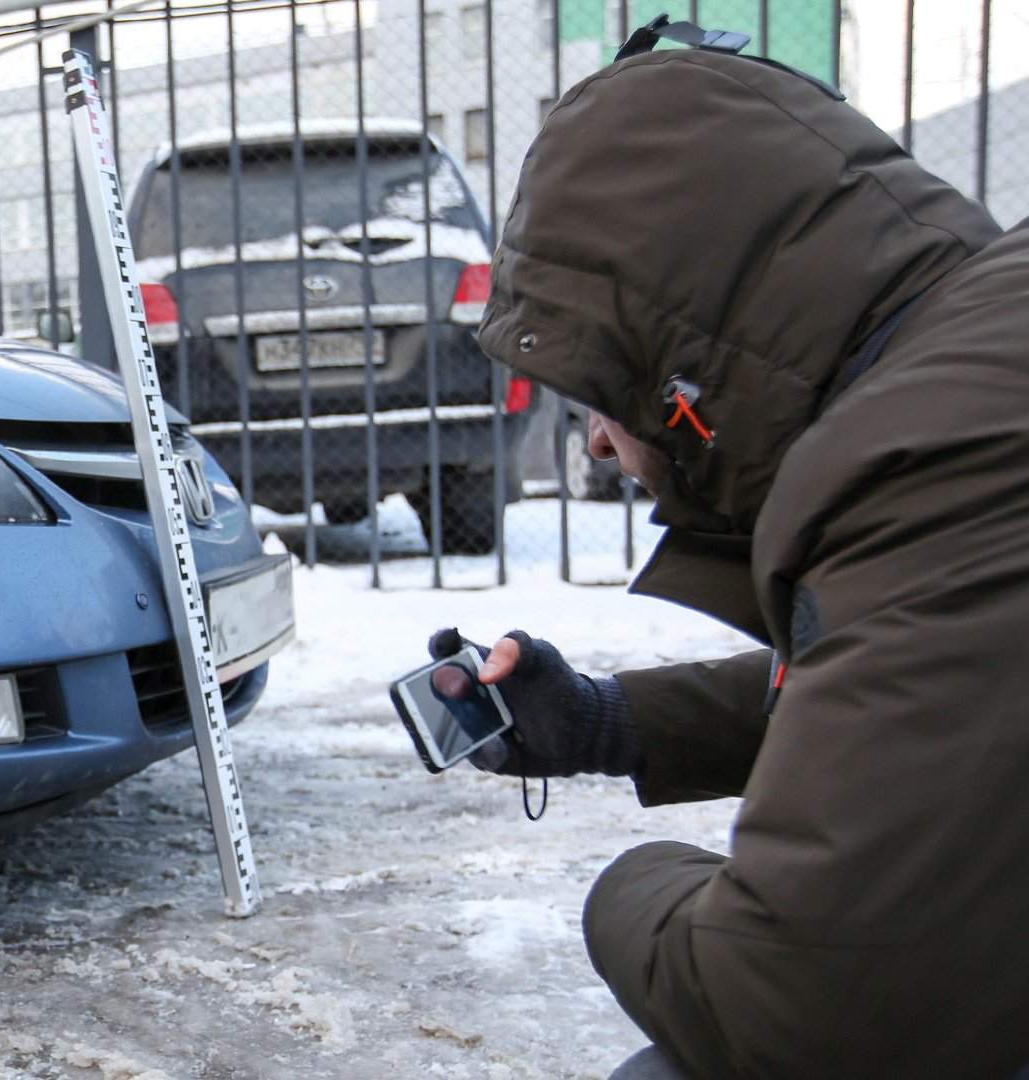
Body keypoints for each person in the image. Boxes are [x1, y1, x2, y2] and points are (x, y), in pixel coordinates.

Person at [425, 16, 1029, 1080]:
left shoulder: (935, 451)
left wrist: (626, 885)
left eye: (600, 395)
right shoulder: (977, 366)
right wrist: (611, 722)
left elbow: (809, 1005)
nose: (604, 446)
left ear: (687, 348)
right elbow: (944, 686)